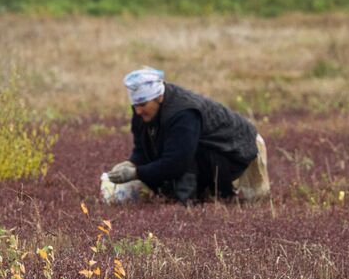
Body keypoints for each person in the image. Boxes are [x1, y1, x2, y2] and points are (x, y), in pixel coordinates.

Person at [106, 67, 268, 203]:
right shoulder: (142, 112)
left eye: (142, 105)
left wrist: (136, 173)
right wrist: (131, 163)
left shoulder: (183, 114)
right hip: (204, 149)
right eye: (135, 105)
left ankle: (189, 205)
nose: (138, 111)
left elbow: (176, 163)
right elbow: (143, 148)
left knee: (185, 159)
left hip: (239, 147)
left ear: (159, 97)